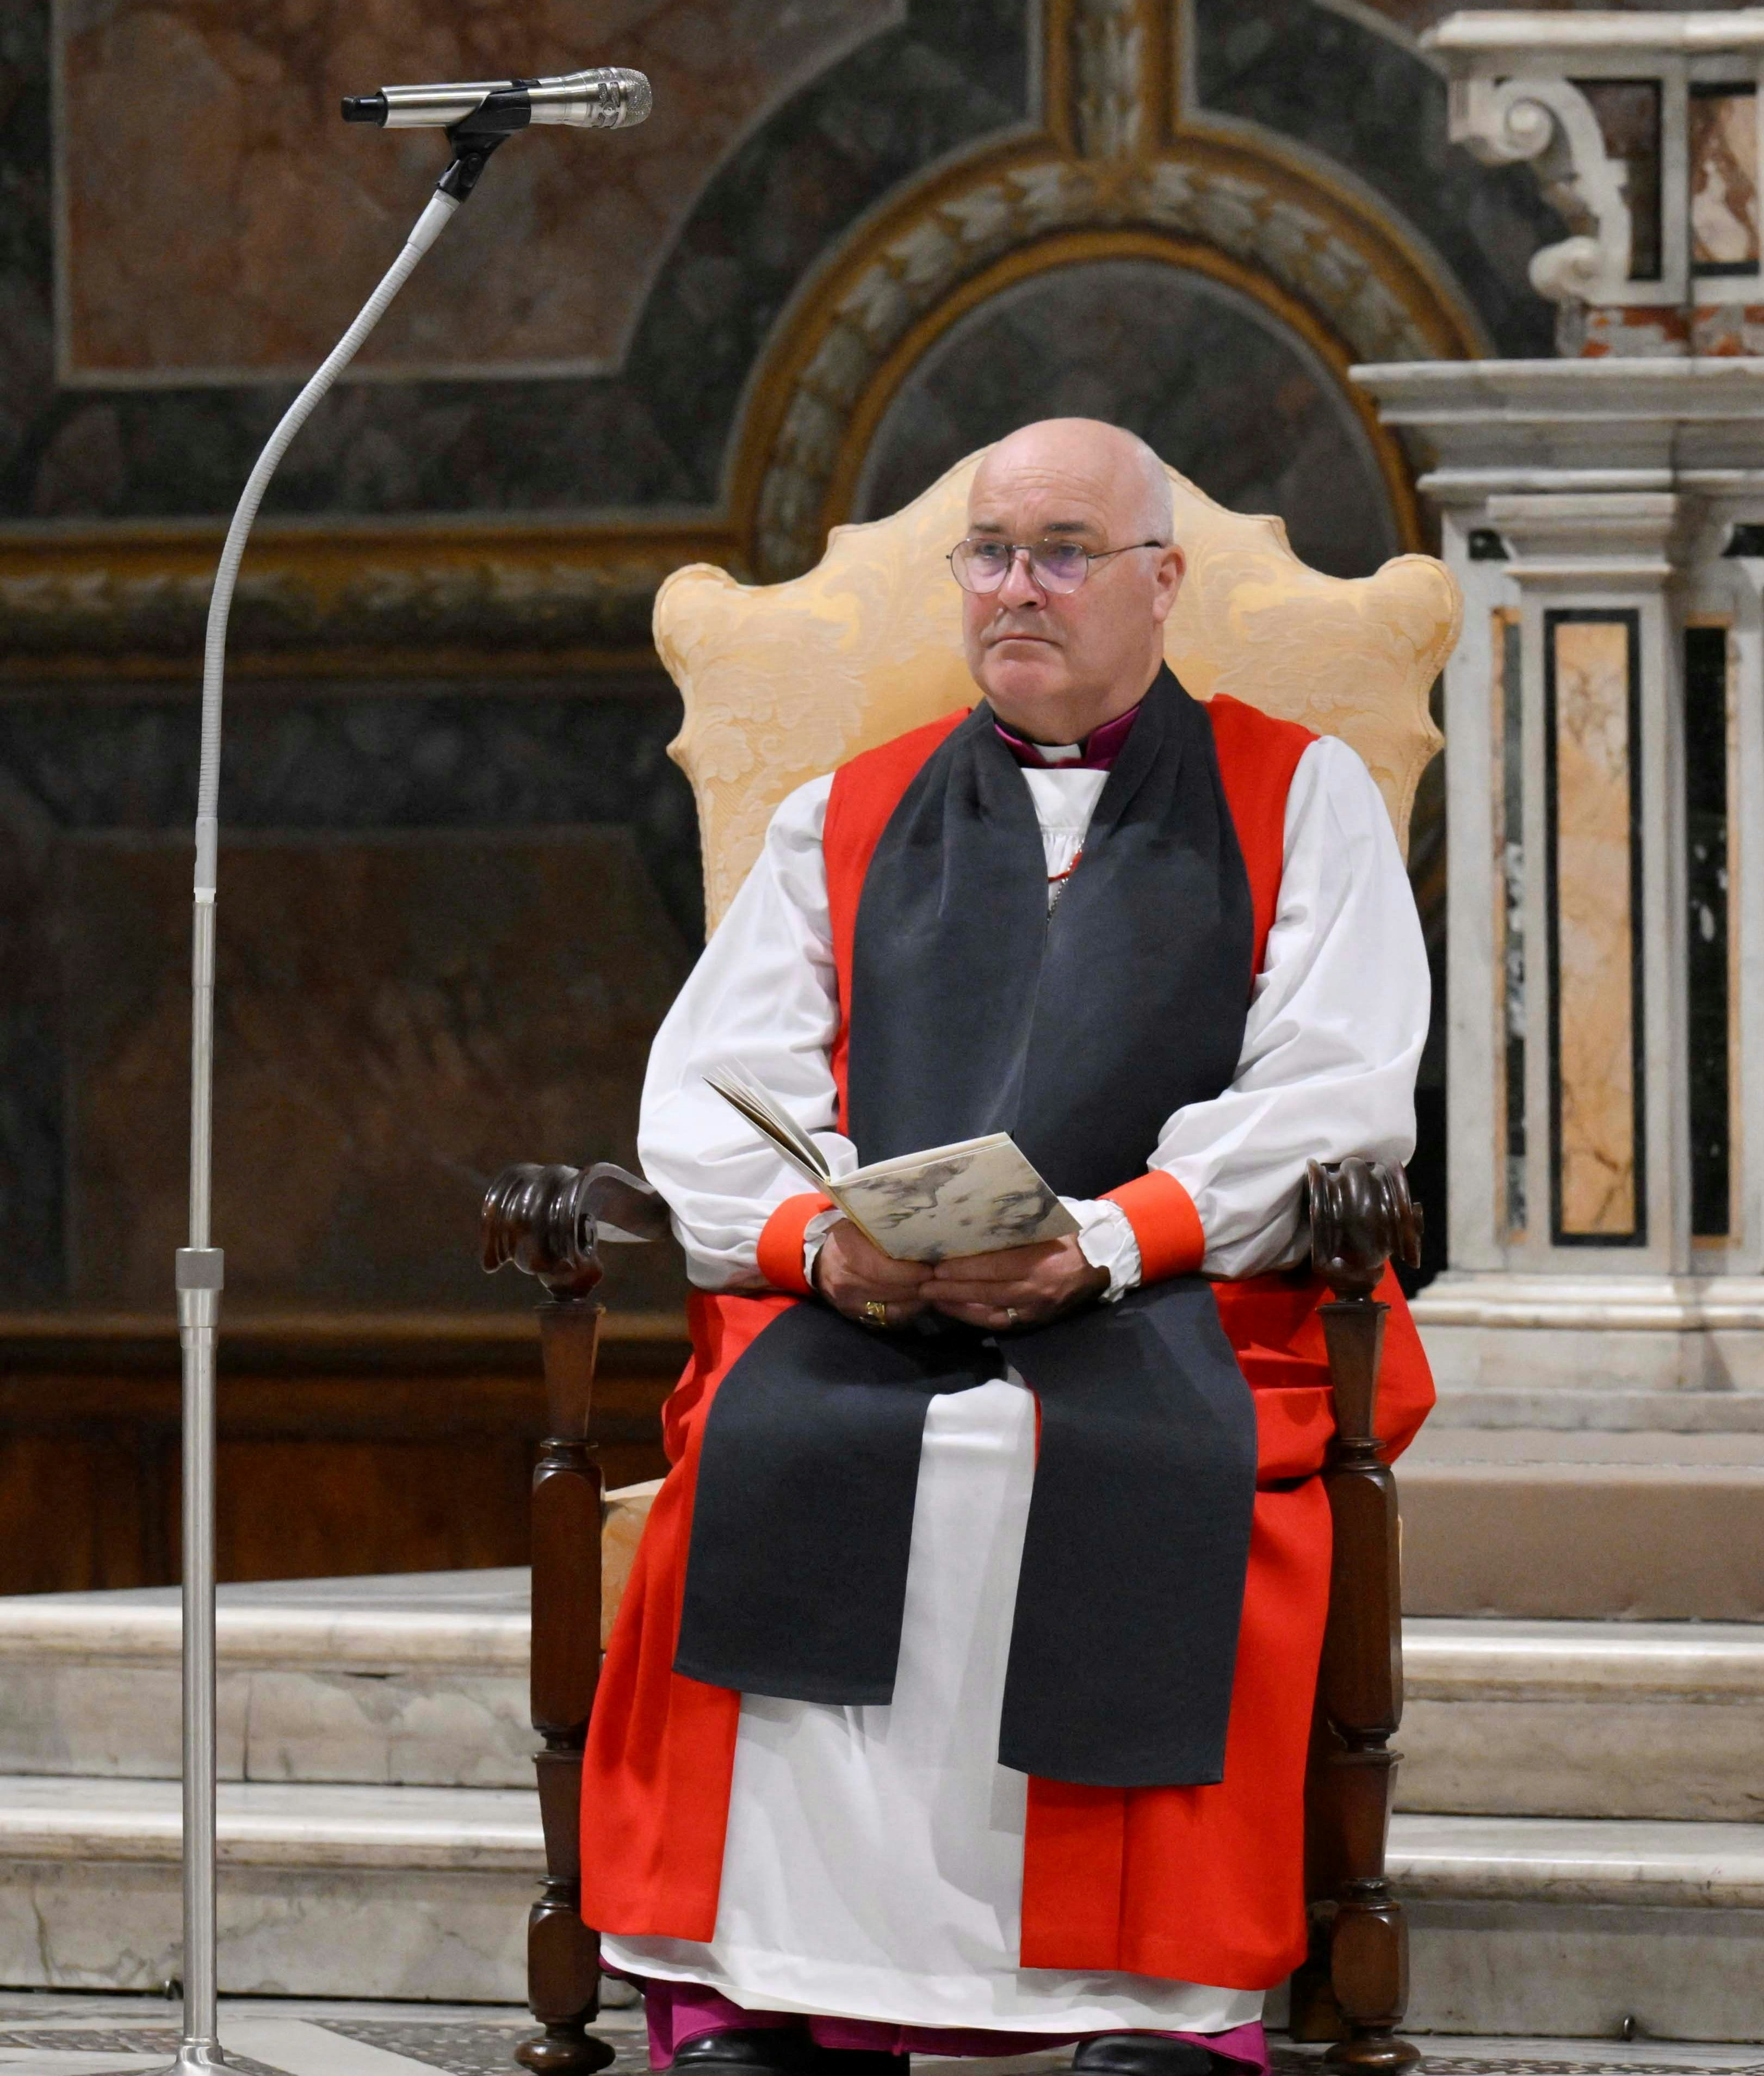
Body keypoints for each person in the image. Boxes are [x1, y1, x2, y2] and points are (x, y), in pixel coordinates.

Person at [583, 418, 1433, 2076]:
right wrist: (828, 1245)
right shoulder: (846, 812)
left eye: (1061, 550)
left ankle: (1150, 2000)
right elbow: (708, 1088)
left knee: (1076, 1463)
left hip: (1171, 1299)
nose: (1014, 587)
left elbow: (1338, 1088)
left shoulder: (1295, 788)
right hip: (873, 1298)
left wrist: (1107, 1244)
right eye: (988, 551)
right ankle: (776, 1983)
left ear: (1162, 582)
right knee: (790, 1440)